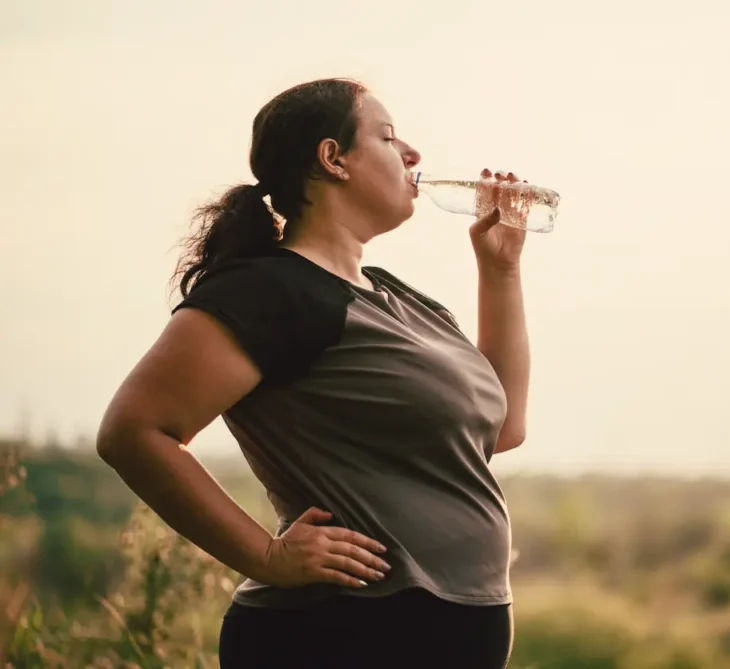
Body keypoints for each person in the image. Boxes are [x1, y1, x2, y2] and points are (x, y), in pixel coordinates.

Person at [96, 77, 531, 668]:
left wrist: (501, 272)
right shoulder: (270, 292)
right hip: (338, 634)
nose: (412, 154)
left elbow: (503, 430)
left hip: (448, 633)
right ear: (333, 158)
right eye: (388, 137)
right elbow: (133, 431)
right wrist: (267, 556)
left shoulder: (404, 301)